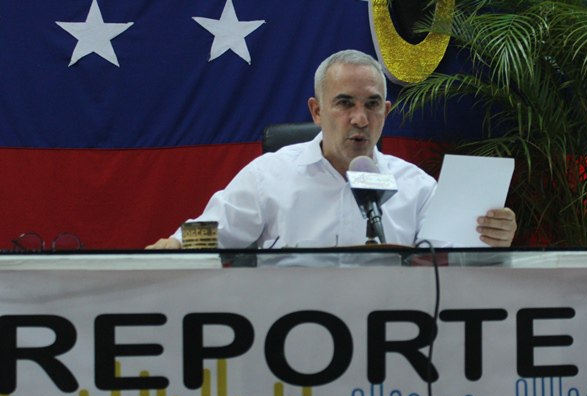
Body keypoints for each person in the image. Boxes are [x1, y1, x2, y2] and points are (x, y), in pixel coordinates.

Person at [147, 50, 517, 250]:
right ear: (317, 111)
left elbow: (454, 260)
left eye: (372, 104)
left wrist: (493, 236)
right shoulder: (269, 175)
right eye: (344, 103)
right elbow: (216, 229)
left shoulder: (416, 187)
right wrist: (177, 244)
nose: (360, 118)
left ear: (386, 112)